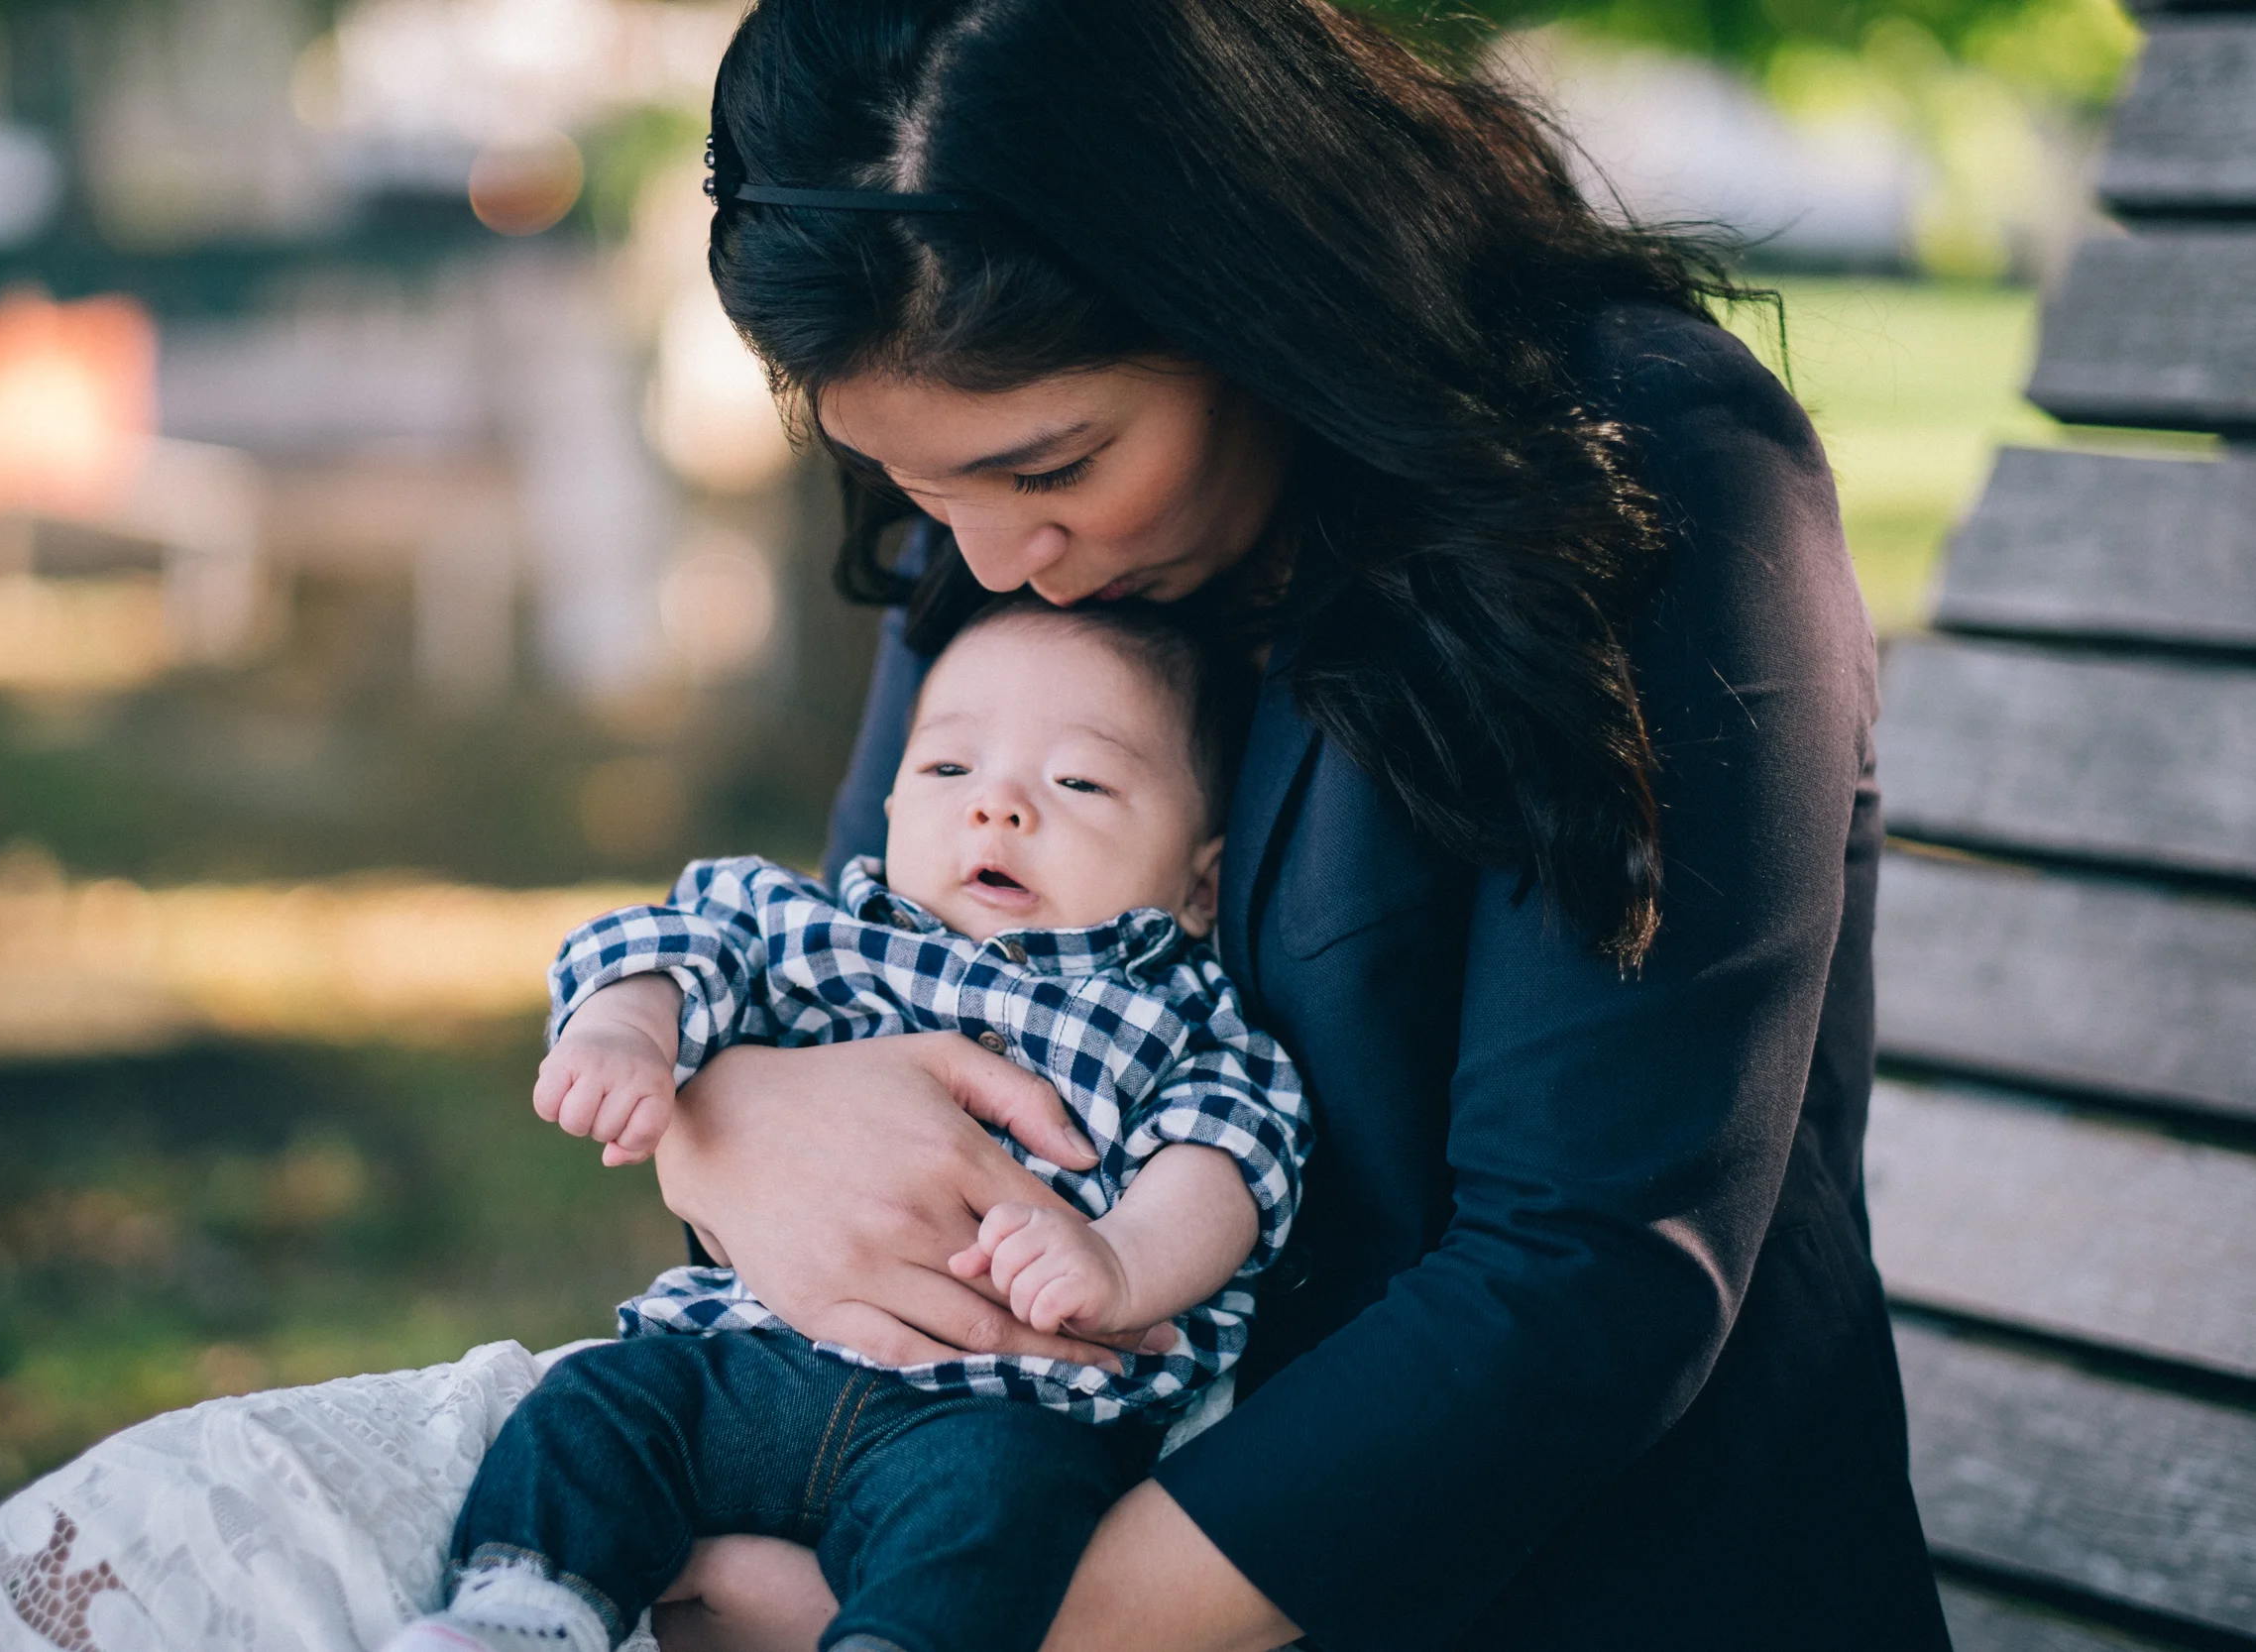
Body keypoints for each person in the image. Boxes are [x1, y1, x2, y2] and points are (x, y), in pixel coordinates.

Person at [632, 2, 1956, 1650]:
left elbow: (1584, 1278)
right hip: (978, 1513)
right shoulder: (1002, 533)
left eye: (1054, 463)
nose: (979, 563)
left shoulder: (1639, 475)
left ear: (1249, 290)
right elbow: (873, 979)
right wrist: (721, 1111)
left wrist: (948, 1621)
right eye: (917, 484)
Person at [391, 595, 1307, 1652]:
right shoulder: (818, 927)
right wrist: (626, 1031)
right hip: (754, 1362)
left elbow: (1226, 1162)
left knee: (1001, 1510)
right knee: (603, 1400)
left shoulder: (1179, 1016)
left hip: (997, 1411)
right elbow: (670, 941)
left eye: (1078, 781)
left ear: (1200, 882)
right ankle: (526, 1608)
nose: (996, 808)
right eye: (948, 769)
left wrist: (1117, 1259)